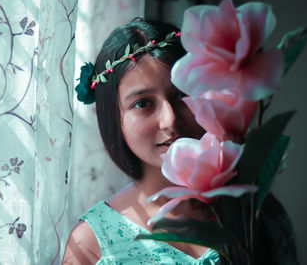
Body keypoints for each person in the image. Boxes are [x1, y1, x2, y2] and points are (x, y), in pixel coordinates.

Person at [62, 18, 220, 265]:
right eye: (142, 103)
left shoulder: (250, 207)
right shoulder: (91, 244)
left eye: (182, 94)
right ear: (115, 118)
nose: (169, 120)